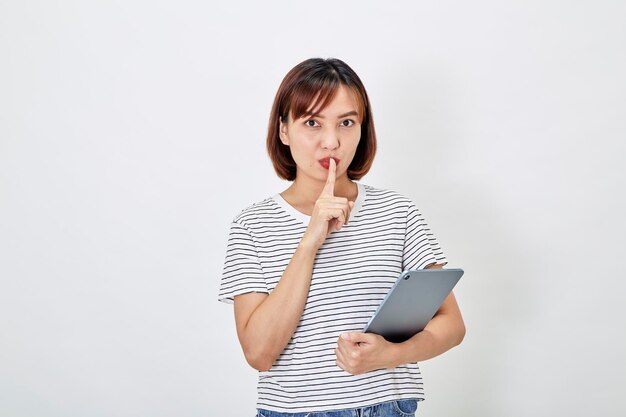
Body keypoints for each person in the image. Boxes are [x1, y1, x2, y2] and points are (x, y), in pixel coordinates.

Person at [218, 57, 465, 417]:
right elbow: (259, 354)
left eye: (346, 122)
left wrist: (390, 354)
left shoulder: (398, 213)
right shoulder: (252, 226)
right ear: (283, 130)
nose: (331, 141)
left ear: (363, 129)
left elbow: (452, 325)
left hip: (387, 408)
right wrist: (309, 241)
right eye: (312, 123)